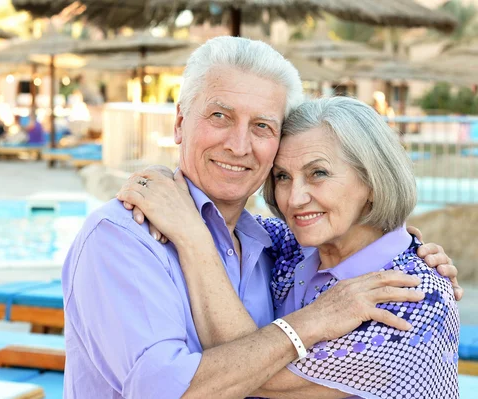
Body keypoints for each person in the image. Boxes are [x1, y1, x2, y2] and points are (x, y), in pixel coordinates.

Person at [62, 36, 461, 399]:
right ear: (180, 122)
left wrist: (402, 244)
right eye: (220, 116)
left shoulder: (284, 249)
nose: (238, 145)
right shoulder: (127, 235)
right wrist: (314, 319)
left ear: (372, 181)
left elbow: (270, 378)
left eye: (262, 126)